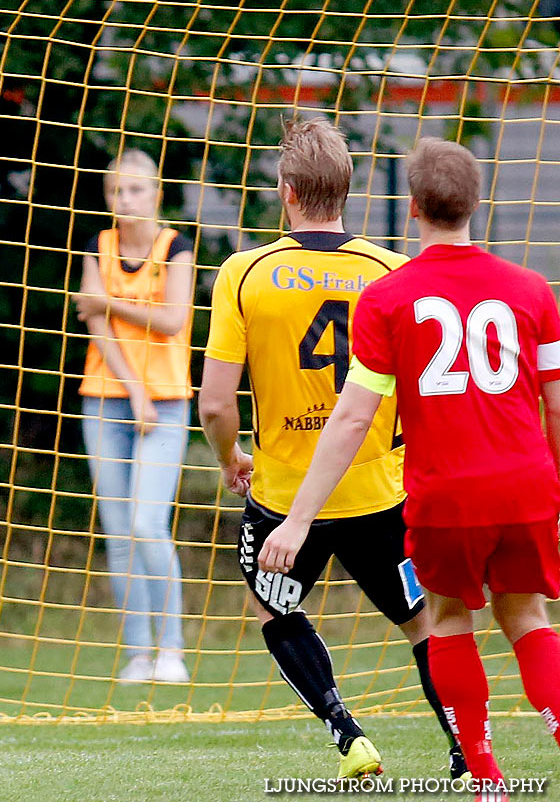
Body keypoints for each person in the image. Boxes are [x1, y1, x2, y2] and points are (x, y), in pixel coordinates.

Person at [261, 138, 560, 800]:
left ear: (413, 207)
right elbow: (557, 409)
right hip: (526, 484)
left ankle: (486, 781)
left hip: (444, 494)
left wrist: (298, 519)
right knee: (530, 620)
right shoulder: (533, 291)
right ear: (475, 203)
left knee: (450, 621)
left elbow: (352, 420)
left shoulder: (390, 298)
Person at [198, 118, 463, 781]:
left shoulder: (244, 272)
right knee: (425, 622)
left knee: (272, 605)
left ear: (286, 191)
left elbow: (214, 403)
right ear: (348, 191)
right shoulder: (396, 271)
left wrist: (230, 458)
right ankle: (464, 754)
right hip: (382, 491)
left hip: (287, 498)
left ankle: (346, 731)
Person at [74, 148, 195, 684]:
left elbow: (172, 320)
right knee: (118, 532)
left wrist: (107, 303)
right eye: (116, 192)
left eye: (136, 190)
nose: (126, 200)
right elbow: (93, 324)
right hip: (104, 398)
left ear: (157, 194)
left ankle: (172, 650)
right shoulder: (98, 245)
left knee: (148, 525)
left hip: (167, 402)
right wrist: (132, 391)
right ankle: (138, 653)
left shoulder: (177, 247)